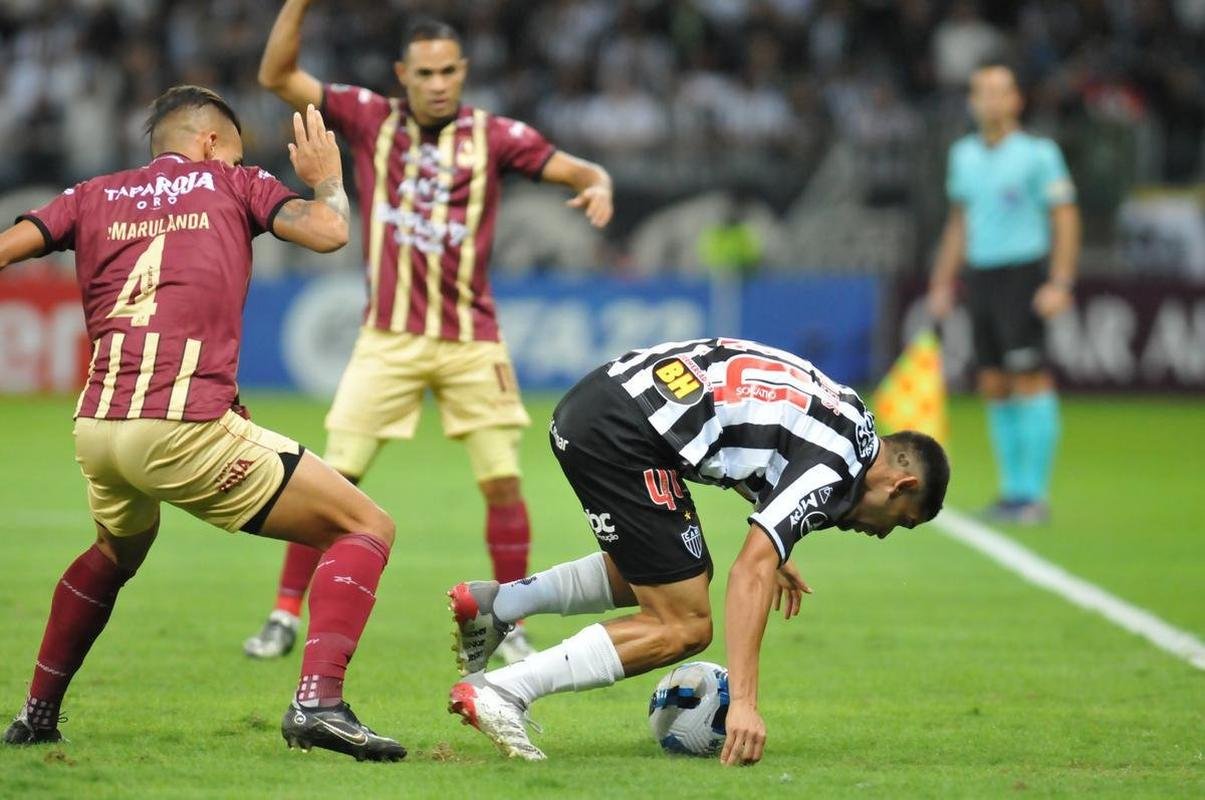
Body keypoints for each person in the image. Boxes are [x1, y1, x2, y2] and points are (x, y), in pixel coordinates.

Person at [0, 86, 405, 762]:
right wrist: (326, 181)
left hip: (98, 427)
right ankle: (318, 703)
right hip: (181, 425)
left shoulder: (91, 193)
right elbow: (330, 233)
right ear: (213, 143)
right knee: (366, 526)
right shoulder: (233, 182)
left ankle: (36, 715)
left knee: (115, 552)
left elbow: (9, 247)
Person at [245, 4, 614, 663]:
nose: (439, 83)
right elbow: (277, 75)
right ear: (402, 75)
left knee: (501, 480)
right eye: (425, 73)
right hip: (386, 336)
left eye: (449, 71)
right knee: (331, 480)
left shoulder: (494, 135)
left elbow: (570, 167)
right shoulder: (367, 116)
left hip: (471, 337)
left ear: (463, 71)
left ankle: (512, 619)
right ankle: (281, 615)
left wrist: (596, 179)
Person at [445, 338, 950, 764]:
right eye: (898, 523)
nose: (881, 534)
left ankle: (500, 605)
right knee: (685, 625)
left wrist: (777, 536)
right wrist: (745, 704)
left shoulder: (852, 417)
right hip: (625, 432)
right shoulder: (838, 465)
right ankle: (503, 691)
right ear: (900, 484)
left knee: (679, 573)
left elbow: (756, 424)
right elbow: (749, 572)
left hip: (606, 398)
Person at [928, 62, 1080, 525]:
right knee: (993, 384)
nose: (990, 101)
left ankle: (1033, 494)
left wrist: (1060, 280)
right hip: (982, 277)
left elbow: (1065, 216)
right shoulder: (963, 156)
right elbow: (959, 222)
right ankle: (1013, 491)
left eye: (999, 92)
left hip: (1023, 274)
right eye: (981, 92)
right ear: (972, 102)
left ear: (1016, 100)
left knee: (1029, 377)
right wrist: (941, 281)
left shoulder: (1038, 154)